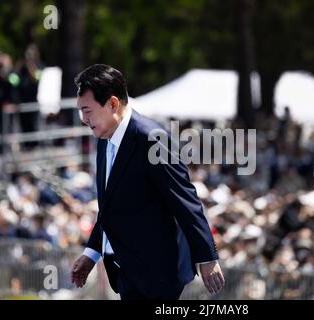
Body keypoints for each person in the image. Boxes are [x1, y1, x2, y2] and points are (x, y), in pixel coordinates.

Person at [70, 64, 224, 300]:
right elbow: (110, 208)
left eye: (87, 110)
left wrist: (207, 256)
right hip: (126, 270)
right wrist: (92, 253)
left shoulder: (152, 138)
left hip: (158, 274)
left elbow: (185, 200)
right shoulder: (103, 137)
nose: (83, 118)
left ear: (112, 104)